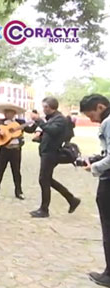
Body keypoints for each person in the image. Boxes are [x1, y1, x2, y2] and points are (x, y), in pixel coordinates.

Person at [26, 97, 81, 218]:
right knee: (47, 179)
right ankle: (71, 199)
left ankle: (44, 209)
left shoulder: (60, 119)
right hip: (46, 152)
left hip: (51, 153)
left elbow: (52, 131)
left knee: (44, 179)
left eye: (44, 107)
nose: (43, 109)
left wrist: (39, 120)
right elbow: (37, 130)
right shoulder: (52, 118)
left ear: (48, 107)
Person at [79, 94, 110, 287]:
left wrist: (95, 167)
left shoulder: (108, 122)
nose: (91, 120)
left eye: (91, 114)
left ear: (100, 107)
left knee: (108, 228)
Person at [0, 102, 32, 200]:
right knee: (0, 170)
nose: (8, 114)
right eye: (6, 112)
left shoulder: (20, 122)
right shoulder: (0, 122)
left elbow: (30, 129)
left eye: (10, 112)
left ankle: (19, 191)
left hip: (16, 150)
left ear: (14, 113)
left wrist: (35, 123)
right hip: (4, 149)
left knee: (16, 171)